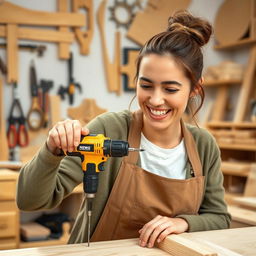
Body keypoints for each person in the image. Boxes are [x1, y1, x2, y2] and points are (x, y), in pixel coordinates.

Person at [17, 10, 231, 248]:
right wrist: (51, 150)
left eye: (170, 89)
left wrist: (183, 223)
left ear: (195, 90)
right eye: (146, 85)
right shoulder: (108, 129)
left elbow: (219, 218)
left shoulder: (204, 146)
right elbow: (29, 201)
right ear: (136, 80)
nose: (156, 100)